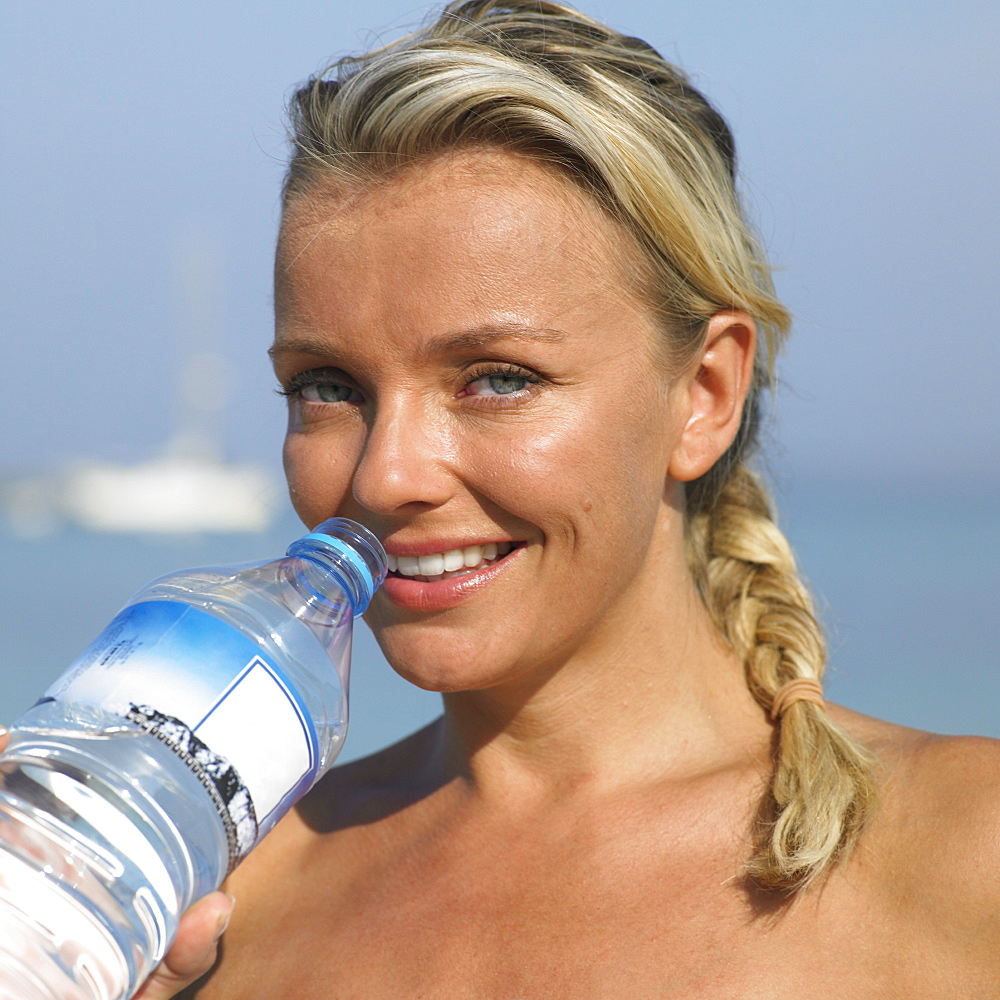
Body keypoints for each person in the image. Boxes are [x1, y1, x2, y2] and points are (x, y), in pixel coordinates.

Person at [50, 0, 999, 995]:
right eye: (327, 388)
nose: (385, 477)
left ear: (703, 394)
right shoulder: (215, 900)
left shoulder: (962, 854)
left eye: (497, 377)